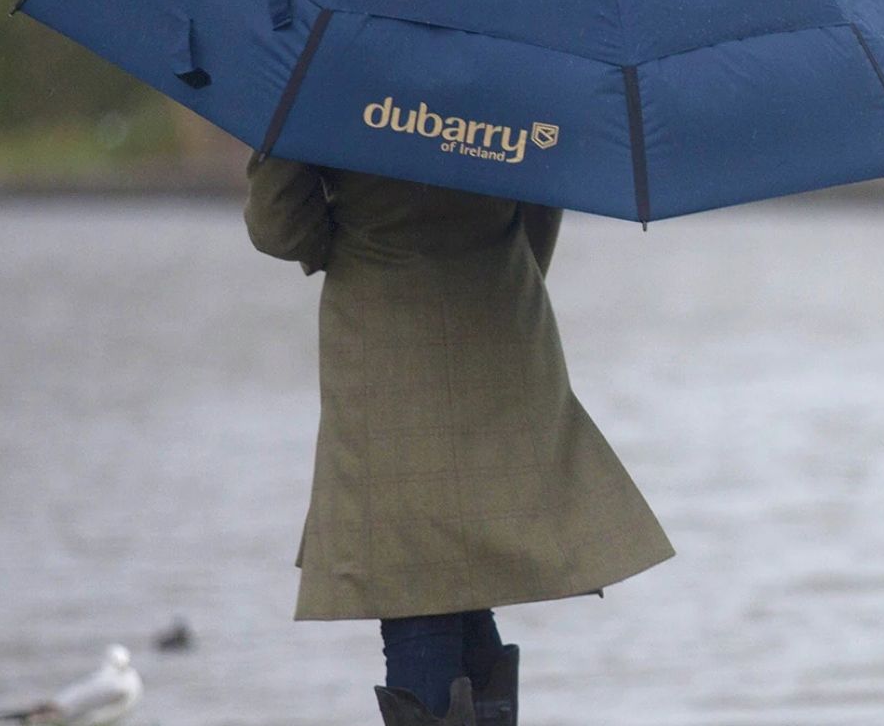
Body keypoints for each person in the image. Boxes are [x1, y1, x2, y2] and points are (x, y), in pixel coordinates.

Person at [243, 153, 674, 725]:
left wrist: (347, 232)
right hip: (504, 326)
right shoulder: (522, 65)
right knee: (464, 578)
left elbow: (280, 226)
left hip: (386, 344)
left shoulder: (328, 69)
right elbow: (543, 198)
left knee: (416, 591)